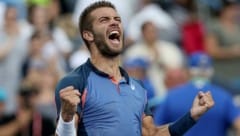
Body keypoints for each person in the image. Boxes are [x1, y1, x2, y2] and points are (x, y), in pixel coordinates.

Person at [54, 1, 214, 136]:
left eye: (117, 19)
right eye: (104, 20)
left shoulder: (138, 86)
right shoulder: (75, 82)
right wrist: (66, 118)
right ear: (88, 35)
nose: (114, 22)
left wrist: (191, 116)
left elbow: (152, 134)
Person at [154, 52, 240, 136]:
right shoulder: (224, 96)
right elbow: (238, 125)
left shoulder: (172, 96)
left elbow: (155, 130)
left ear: (189, 71)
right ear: (210, 71)